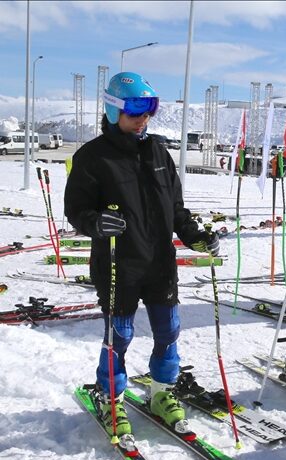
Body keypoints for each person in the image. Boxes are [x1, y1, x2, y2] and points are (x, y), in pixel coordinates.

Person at [64, 72, 219, 441]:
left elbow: (176, 209)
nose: (143, 116)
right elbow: (76, 210)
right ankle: (111, 396)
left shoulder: (159, 152)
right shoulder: (92, 157)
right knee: (120, 335)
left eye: (149, 107)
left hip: (159, 263)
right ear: (113, 108)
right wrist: (97, 222)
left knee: (169, 330)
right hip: (118, 263)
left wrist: (195, 236)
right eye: (135, 108)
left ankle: (162, 392)